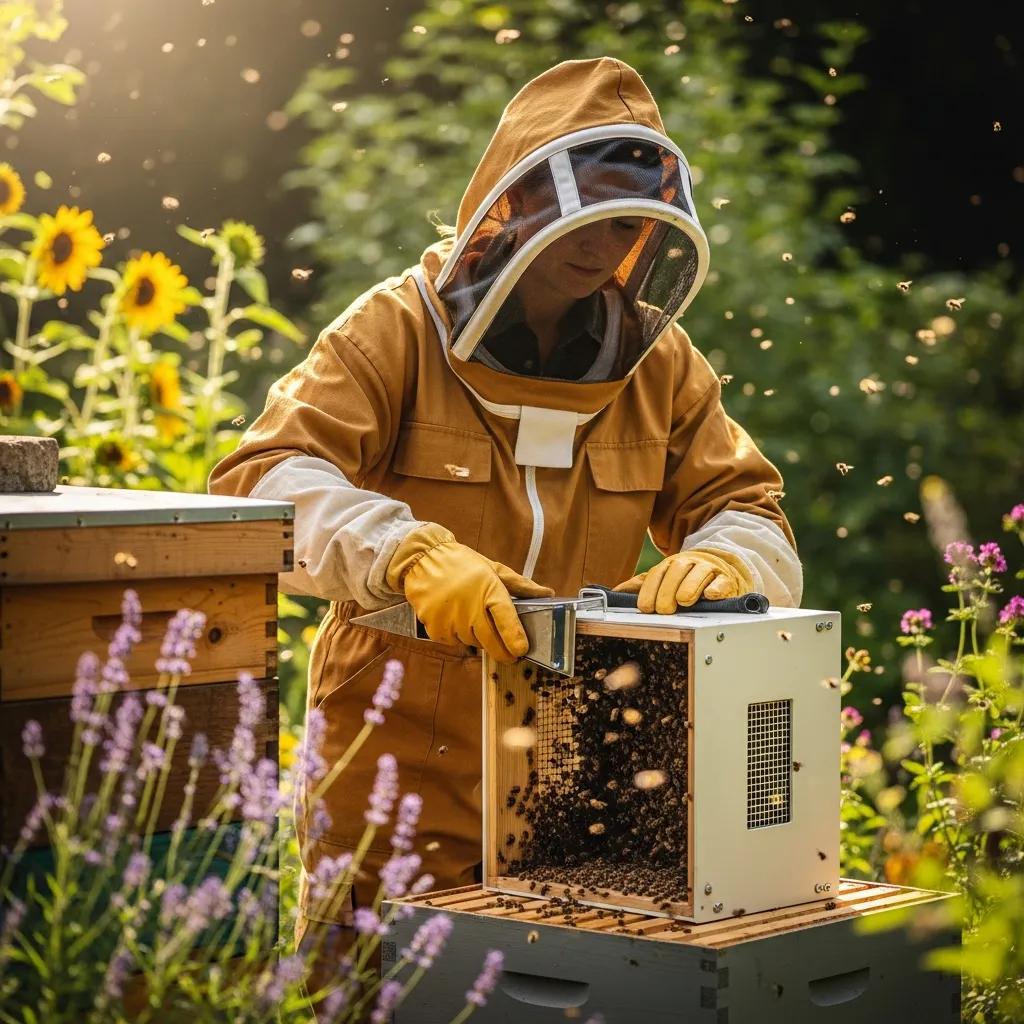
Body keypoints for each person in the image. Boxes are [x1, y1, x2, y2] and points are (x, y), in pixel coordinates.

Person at [208, 56, 802, 949]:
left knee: (562, 987)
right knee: (368, 984)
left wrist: (728, 558)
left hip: (585, 764)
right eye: (587, 215)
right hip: (396, 750)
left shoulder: (660, 363)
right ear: (515, 199)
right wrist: (403, 553)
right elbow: (265, 477)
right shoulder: (396, 328)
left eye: (629, 224)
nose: (603, 246)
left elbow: (748, 504)